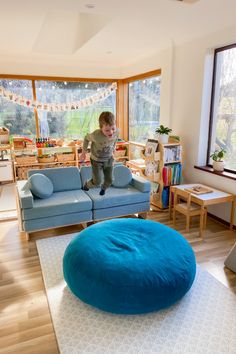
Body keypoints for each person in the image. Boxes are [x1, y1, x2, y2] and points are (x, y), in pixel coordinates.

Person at [80, 111, 119, 195]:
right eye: (107, 130)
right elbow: (86, 138)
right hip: (96, 161)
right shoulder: (96, 135)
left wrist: (114, 148)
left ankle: (103, 188)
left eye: (113, 128)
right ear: (101, 128)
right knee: (97, 181)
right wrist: (83, 153)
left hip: (109, 159)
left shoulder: (116, 132)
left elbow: (115, 139)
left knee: (110, 180)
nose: (111, 132)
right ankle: (87, 185)